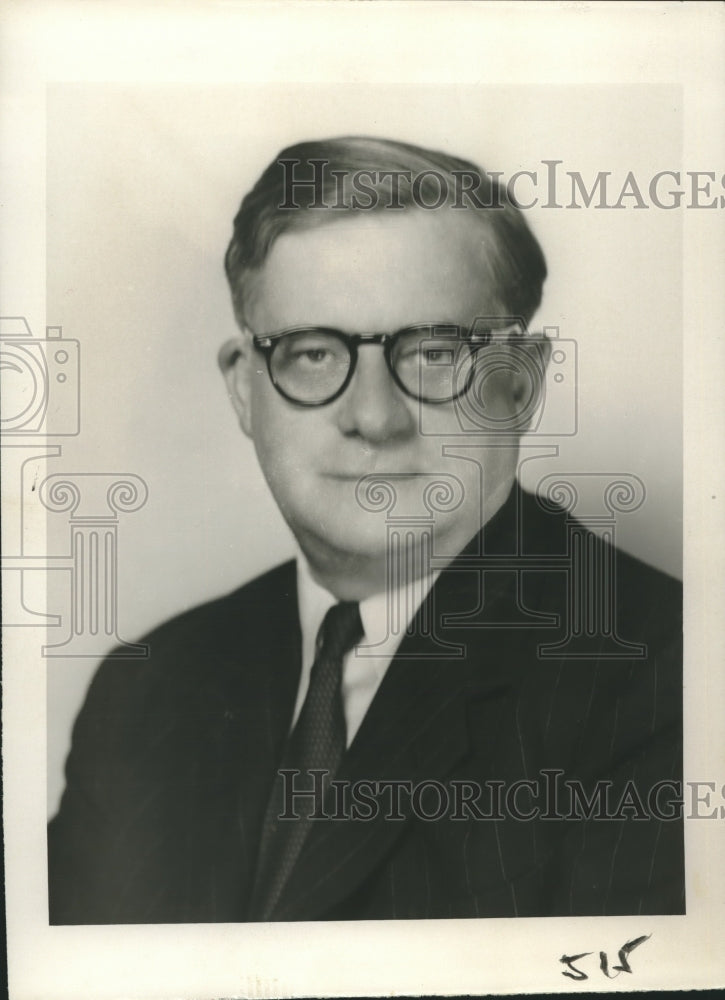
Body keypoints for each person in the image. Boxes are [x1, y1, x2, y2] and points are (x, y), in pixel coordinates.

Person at [48, 136, 684, 923]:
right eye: (314, 354)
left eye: (435, 352)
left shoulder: (669, 682)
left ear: (518, 384)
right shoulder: (149, 690)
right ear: (246, 391)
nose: (374, 417)